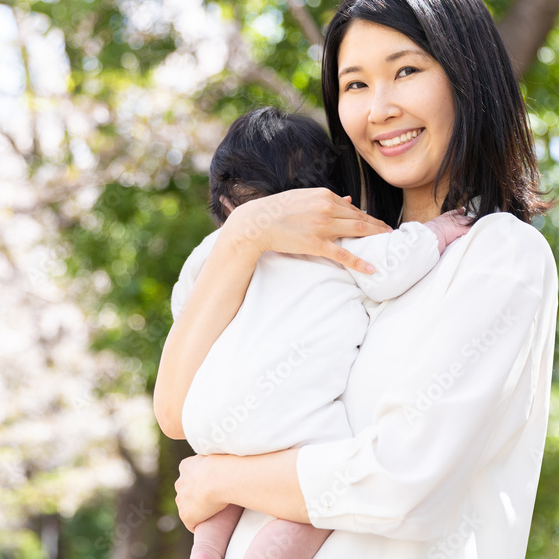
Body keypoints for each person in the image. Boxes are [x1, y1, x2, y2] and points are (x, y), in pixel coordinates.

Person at [154, 0, 557, 559]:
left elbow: (402, 481)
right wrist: (247, 234)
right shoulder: (326, 264)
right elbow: (177, 413)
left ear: (466, 77)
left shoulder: (500, 253)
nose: (380, 108)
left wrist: (221, 478)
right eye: (355, 84)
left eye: (407, 71)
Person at [173, 106, 470, 559]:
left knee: (222, 491)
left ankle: (207, 549)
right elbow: (391, 267)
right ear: (333, 195)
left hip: (207, 425)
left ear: (226, 205)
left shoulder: (213, 252)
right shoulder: (339, 237)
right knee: (322, 479)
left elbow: (187, 308)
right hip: (289, 420)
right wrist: (440, 228)